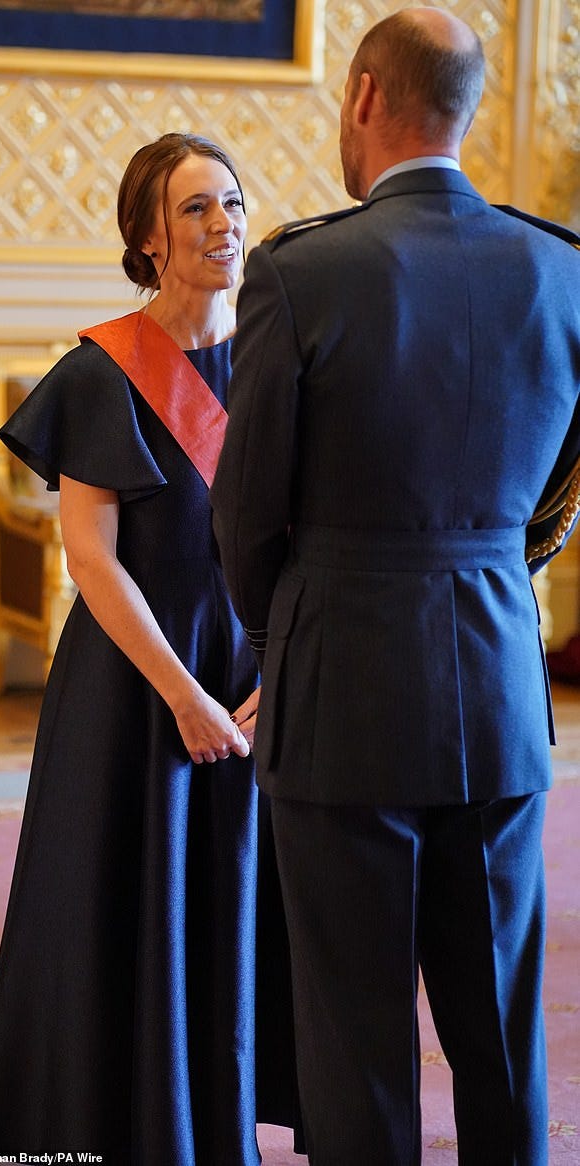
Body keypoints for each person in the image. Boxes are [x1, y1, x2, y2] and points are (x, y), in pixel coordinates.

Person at [211, 9, 580, 1165]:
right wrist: (491, 570)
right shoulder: (561, 269)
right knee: (503, 1039)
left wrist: (288, 641)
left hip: (341, 703)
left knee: (356, 1040)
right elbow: (556, 493)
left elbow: (244, 515)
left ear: (363, 95)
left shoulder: (297, 270)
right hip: (498, 694)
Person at [0, 132, 300, 1164]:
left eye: (232, 203)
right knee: (120, 902)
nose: (223, 224)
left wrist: (274, 677)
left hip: (252, 679)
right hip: (134, 678)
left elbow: (319, 541)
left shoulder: (287, 362)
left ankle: (213, 1114)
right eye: (194, 208)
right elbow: (91, 562)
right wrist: (184, 696)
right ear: (147, 238)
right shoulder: (102, 371)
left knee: (234, 906)